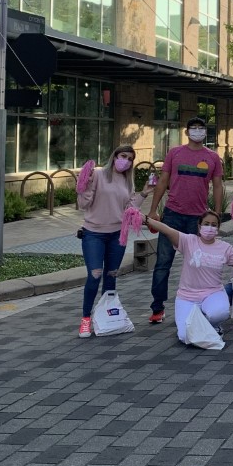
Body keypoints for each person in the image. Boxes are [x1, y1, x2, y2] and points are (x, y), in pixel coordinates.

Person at [144, 211, 233, 346]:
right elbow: (167, 229)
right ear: (199, 226)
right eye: (206, 224)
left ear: (218, 228)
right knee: (184, 336)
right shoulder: (188, 241)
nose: (210, 227)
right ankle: (197, 320)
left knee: (219, 312)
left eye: (214, 225)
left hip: (212, 293)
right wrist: (146, 219)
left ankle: (214, 326)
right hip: (187, 297)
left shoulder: (225, 248)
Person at [146, 116, 225, 325]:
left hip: (197, 219)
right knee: (163, 262)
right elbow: (163, 181)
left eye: (201, 128)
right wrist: (153, 210)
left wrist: (216, 214)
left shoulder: (213, 157)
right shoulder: (175, 153)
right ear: (187, 131)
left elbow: (218, 186)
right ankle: (158, 307)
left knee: (199, 263)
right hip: (172, 215)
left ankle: (199, 304)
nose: (197, 131)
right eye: (193, 128)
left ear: (205, 132)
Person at [76, 144, 146, 338]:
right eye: (123, 156)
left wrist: (145, 193)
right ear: (114, 156)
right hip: (94, 234)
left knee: (111, 275)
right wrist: (84, 185)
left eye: (130, 159)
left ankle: (107, 318)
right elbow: (83, 204)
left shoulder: (127, 181)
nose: (126, 161)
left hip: (117, 235)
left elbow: (130, 208)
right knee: (95, 274)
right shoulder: (97, 174)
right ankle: (85, 319)